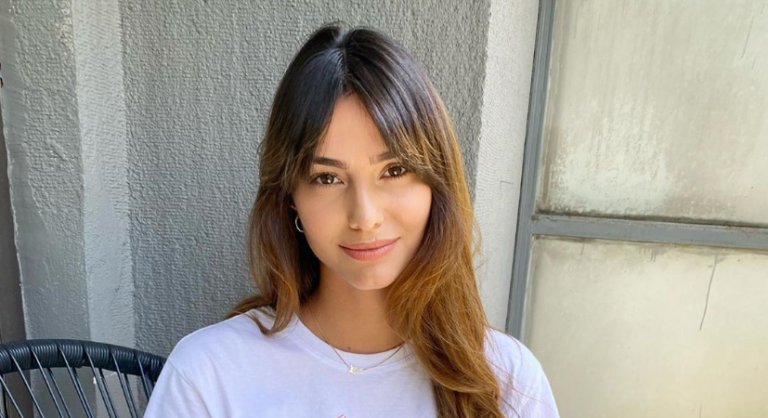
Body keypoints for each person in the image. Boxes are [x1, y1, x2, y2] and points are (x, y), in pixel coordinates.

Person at [143, 23, 559, 418]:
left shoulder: (506, 379)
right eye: (327, 178)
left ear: (436, 183)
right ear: (291, 199)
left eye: (394, 170)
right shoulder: (209, 374)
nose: (365, 217)